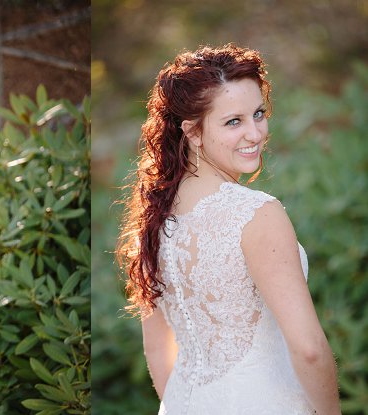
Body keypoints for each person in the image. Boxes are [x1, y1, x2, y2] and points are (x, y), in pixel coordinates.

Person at [116, 44, 340, 414]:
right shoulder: (256, 214)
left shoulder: (153, 217)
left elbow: (157, 348)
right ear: (193, 132)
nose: (255, 133)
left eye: (258, 113)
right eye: (233, 121)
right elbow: (310, 350)